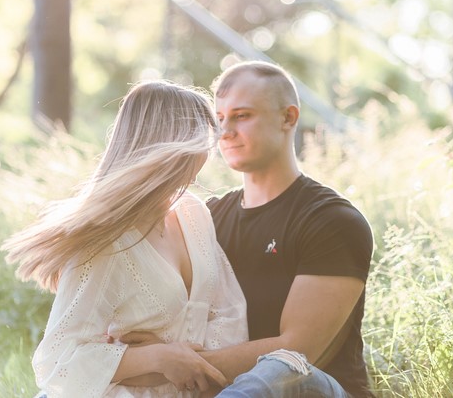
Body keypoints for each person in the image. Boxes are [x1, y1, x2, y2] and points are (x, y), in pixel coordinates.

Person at [121, 61, 375, 397]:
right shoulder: (203, 218)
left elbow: (298, 350)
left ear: (288, 117)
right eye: (220, 119)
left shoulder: (332, 221)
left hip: (309, 388)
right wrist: (152, 357)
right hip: (216, 387)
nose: (225, 132)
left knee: (277, 369)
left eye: (242, 116)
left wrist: (176, 363)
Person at [0, 80, 248, 397]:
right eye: (202, 140)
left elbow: (230, 313)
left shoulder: (192, 213)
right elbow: (57, 362)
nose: (209, 152)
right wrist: (155, 358)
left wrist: (185, 359)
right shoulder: (105, 241)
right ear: (172, 145)